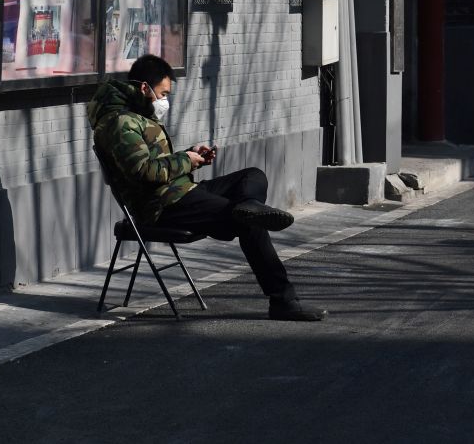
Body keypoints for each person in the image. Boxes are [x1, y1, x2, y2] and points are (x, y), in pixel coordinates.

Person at [88, 54, 326, 321]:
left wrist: (191, 155)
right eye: (163, 93)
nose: (165, 100)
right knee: (249, 223)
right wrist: (185, 161)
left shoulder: (136, 116)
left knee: (252, 176)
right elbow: (144, 172)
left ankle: (248, 207)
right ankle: (283, 300)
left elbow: (155, 163)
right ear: (144, 88)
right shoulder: (121, 124)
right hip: (162, 206)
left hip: (180, 191)